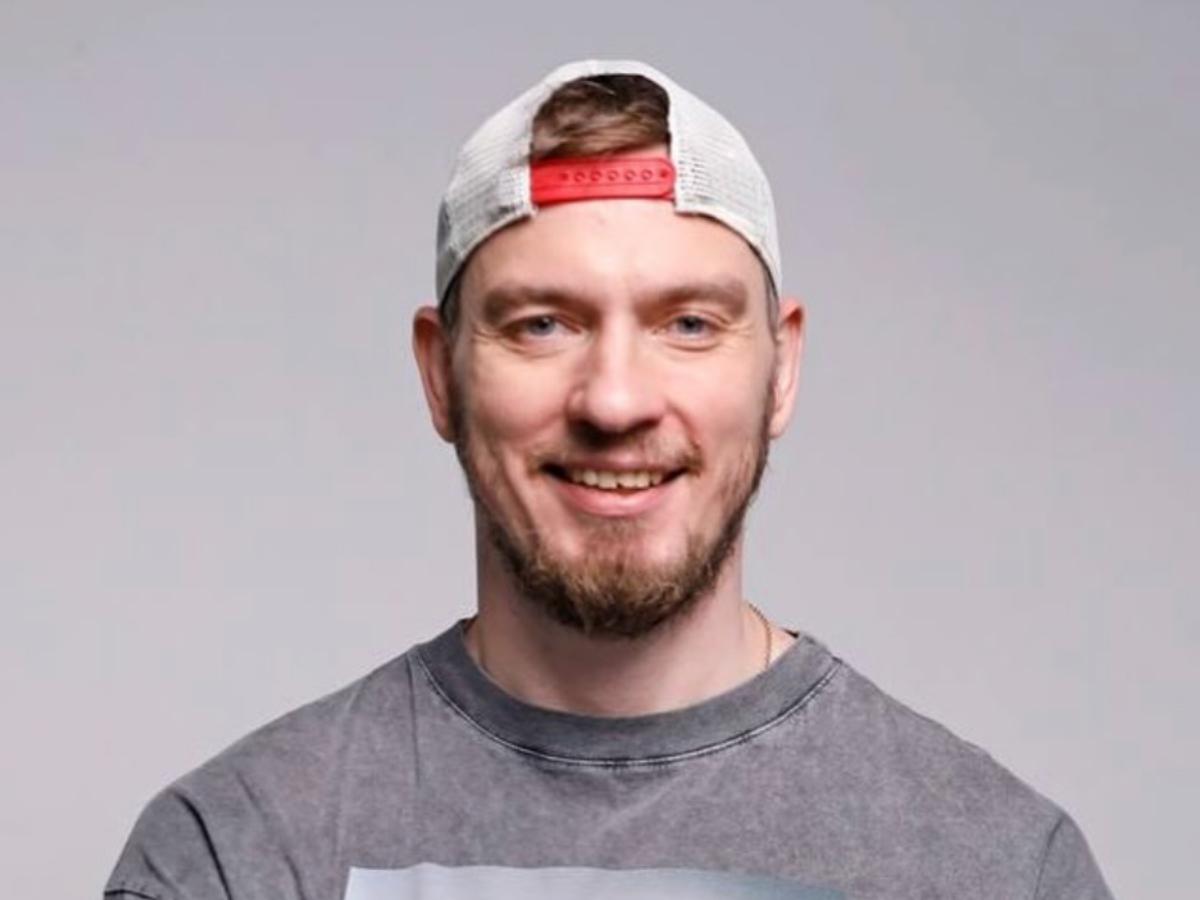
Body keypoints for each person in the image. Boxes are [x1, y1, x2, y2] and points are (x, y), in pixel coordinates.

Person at [105, 59, 1114, 900]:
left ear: (781, 370)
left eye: (690, 323)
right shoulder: (238, 856)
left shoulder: (998, 867)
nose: (616, 399)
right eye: (543, 324)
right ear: (440, 374)